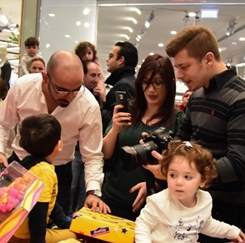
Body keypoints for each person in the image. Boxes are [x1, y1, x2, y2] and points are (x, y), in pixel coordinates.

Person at [146, 26, 245, 241]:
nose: (179, 75)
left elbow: (238, 165)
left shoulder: (244, 99)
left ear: (208, 59)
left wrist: (184, 174)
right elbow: (181, 142)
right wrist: (165, 156)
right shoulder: (198, 96)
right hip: (187, 203)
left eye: (184, 67)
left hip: (224, 210)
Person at [0, 50, 110, 214]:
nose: (69, 97)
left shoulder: (88, 104)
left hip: (58, 173)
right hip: (19, 165)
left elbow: (92, 155)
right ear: (46, 78)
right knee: (2, 219)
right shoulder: (23, 87)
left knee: (51, 228)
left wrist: (93, 192)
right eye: (61, 90)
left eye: (75, 90)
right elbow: (2, 123)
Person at [102, 54, 184, 220]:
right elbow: (104, 154)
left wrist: (156, 184)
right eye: (146, 82)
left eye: (158, 83)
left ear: (169, 84)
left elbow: (181, 166)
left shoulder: (177, 121)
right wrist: (115, 129)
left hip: (152, 206)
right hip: (112, 198)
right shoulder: (127, 111)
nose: (151, 89)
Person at [135, 141, 245, 243]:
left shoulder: (205, 200)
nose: (178, 182)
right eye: (173, 175)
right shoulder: (159, 202)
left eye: (187, 177)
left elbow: (206, 224)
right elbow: (143, 225)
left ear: (203, 180)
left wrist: (231, 231)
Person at [7, 114, 76, 243]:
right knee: (73, 237)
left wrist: (64, 223)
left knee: (67, 228)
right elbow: (39, 210)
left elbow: (49, 200)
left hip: (12, 230)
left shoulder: (29, 163)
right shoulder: (45, 172)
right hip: (24, 237)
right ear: (59, 144)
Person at [69, 59, 107, 215]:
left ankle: (80, 214)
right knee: (72, 185)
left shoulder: (97, 98)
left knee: (86, 187)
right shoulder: (75, 95)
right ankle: (68, 213)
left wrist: (104, 100)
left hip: (91, 147)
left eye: (99, 75)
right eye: (92, 75)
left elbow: (103, 124)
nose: (96, 79)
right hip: (73, 149)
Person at [103, 41, 138, 130]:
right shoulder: (131, 82)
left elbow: (121, 119)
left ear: (121, 60)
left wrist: (100, 111)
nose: (107, 59)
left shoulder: (123, 85)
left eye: (111, 56)